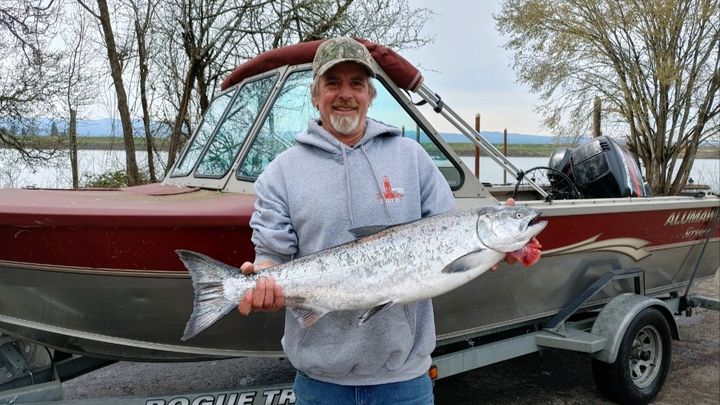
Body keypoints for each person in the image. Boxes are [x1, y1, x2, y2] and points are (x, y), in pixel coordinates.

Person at [237, 37, 513, 404]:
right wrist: (262, 280)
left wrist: (497, 242)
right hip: (320, 384)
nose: (345, 94)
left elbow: (451, 237)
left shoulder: (413, 158)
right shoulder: (280, 174)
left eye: (357, 83)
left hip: (405, 381)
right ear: (315, 94)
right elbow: (272, 255)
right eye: (333, 83)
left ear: (371, 94)